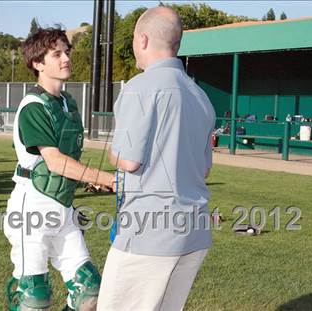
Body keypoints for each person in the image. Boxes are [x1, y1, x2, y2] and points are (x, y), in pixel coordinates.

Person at [97, 7, 216, 311]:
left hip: (149, 232)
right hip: (194, 231)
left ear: (143, 39)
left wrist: (113, 151)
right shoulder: (200, 95)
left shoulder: (139, 87)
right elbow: (203, 169)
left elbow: (128, 161)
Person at [3, 27, 114, 311]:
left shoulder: (68, 103)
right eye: (56, 54)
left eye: (67, 52)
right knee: (33, 297)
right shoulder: (33, 106)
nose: (66, 58)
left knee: (89, 292)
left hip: (61, 206)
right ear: (38, 64)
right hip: (32, 206)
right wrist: (106, 179)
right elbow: (54, 161)